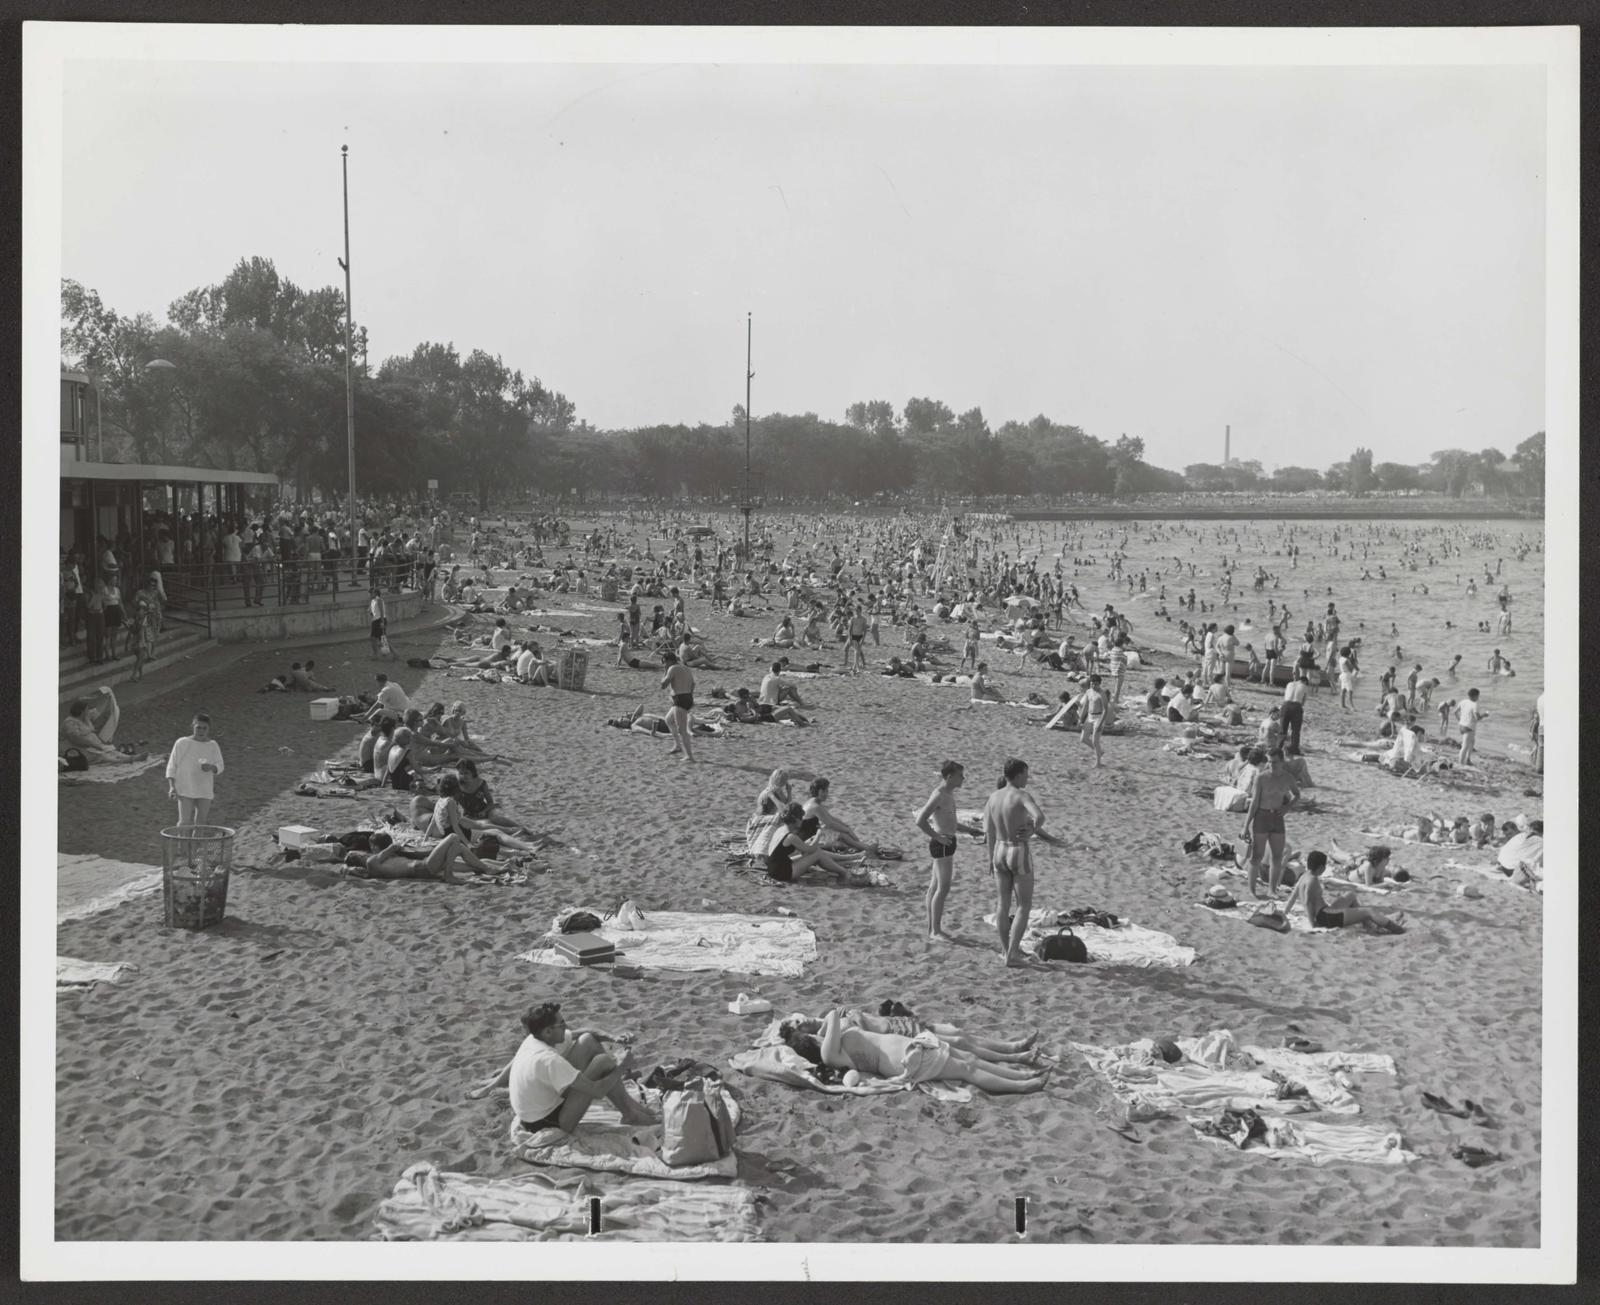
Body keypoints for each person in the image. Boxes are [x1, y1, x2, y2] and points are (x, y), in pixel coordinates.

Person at [470, 1003, 655, 1133]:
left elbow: (586, 1033)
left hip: (539, 1106)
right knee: (604, 1063)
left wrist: (612, 1038)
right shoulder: (549, 1060)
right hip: (547, 1122)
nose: (566, 1027)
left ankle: (630, 1108)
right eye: (561, 1024)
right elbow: (597, 1091)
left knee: (589, 1041)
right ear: (548, 1031)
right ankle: (630, 1112)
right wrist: (623, 1066)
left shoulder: (535, 1039)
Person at [780, 1009, 1047, 1094]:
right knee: (967, 1069)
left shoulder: (832, 1044)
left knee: (969, 1058)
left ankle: (1021, 1077)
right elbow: (831, 1015)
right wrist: (817, 1028)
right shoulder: (829, 1053)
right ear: (811, 1042)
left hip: (910, 1047)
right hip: (904, 1060)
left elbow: (830, 1022)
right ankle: (1025, 1086)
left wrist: (818, 1028)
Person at [984, 758, 1051, 968]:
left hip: (999, 850)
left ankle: (1006, 951)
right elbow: (1039, 816)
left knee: (1002, 904)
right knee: (1023, 905)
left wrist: (989, 858)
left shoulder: (994, 797)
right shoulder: (1021, 795)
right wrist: (1031, 831)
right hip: (1017, 849)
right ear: (1019, 774)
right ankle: (1012, 955)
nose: (1028, 778)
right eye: (1026, 774)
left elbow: (989, 831)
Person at [1284, 851, 1405, 934]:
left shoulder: (1304, 877)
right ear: (1321, 868)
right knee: (1368, 911)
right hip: (1326, 917)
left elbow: (1293, 897)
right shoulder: (1312, 881)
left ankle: (1371, 926)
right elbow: (1307, 901)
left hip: (1325, 912)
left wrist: (1285, 913)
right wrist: (1313, 924)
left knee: (1350, 895)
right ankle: (1398, 930)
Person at [914, 760, 965, 942]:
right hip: (942, 844)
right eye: (960, 775)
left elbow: (950, 821)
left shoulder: (948, 794)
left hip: (947, 842)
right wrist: (937, 837)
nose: (963, 779)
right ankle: (935, 930)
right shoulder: (939, 795)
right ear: (950, 776)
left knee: (935, 887)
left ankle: (931, 928)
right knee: (943, 888)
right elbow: (920, 820)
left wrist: (969, 830)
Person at [1242, 748, 1298, 899]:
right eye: (1269, 762)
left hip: (1277, 818)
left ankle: (1272, 890)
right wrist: (1246, 826)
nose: (1271, 765)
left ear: (1282, 762)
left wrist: (1287, 808)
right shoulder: (1261, 778)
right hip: (1261, 816)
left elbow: (1297, 795)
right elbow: (1254, 803)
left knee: (1277, 857)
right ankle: (1252, 890)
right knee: (1257, 856)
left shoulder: (1287, 778)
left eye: (1274, 762)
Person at [763, 802, 860, 882]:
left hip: (774, 868)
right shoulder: (791, 836)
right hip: (783, 873)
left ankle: (850, 859)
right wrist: (818, 834)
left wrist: (812, 840)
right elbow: (810, 850)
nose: (802, 821)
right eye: (801, 819)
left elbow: (802, 849)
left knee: (817, 851)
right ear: (796, 820)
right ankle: (844, 872)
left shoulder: (781, 829)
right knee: (817, 853)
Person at [166, 713, 224, 827]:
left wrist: (212, 767)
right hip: (185, 786)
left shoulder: (213, 745)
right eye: (198, 727)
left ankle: (197, 845)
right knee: (184, 822)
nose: (201, 731)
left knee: (201, 822)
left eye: (204, 728)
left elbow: (220, 765)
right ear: (193, 726)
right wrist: (172, 786)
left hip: (204, 787)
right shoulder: (182, 742)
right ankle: (182, 845)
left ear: (208, 729)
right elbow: (172, 765)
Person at [61, 688, 144, 764]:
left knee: (111, 751)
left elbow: (98, 711)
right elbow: (75, 739)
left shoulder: (85, 717)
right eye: (86, 710)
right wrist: (92, 744)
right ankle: (124, 760)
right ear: (81, 711)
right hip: (80, 749)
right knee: (103, 756)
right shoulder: (69, 723)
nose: (88, 711)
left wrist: (106, 699)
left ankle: (131, 757)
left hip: (93, 746)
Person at [659, 651, 697, 763]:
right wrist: (689, 695)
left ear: (669, 661)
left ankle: (689, 756)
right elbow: (693, 684)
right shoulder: (685, 668)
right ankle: (677, 745)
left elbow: (663, 685)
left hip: (680, 699)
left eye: (664, 663)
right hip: (688, 698)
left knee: (682, 730)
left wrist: (665, 671)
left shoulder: (672, 668)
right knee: (668, 719)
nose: (664, 665)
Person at [1281, 670, 1309, 753]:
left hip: (1285, 705)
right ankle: (1294, 748)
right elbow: (1303, 701)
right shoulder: (1304, 686)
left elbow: (1285, 696)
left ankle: (1279, 747)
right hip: (1296, 706)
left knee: (1282, 729)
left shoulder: (1289, 684)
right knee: (1296, 730)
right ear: (1305, 681)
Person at [1456, 688, 1486, 765]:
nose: (1478, 698)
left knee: (1472, 742)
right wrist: (1484, 715)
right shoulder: (1475, 705)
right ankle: (1461, 763)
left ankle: (1468, 759)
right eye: (1478, 696)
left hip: (1462, 726)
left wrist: (1460, 720)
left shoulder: (1463, 701)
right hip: (1469, 727)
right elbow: (1477, 718)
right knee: (1465, 746)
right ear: (1475, 696)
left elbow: (1455, 712)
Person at [369, 588, 394, 659]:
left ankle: (376, 654)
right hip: (376, 621)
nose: (370, 594)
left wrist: (382, 622)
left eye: (372, 593)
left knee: (377, 638)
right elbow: (374, 612)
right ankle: (377, 654)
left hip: (379, 620)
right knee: (379, 639)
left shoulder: (379, 600)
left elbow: (382, 612)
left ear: (376, 593)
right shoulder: (373, 601)